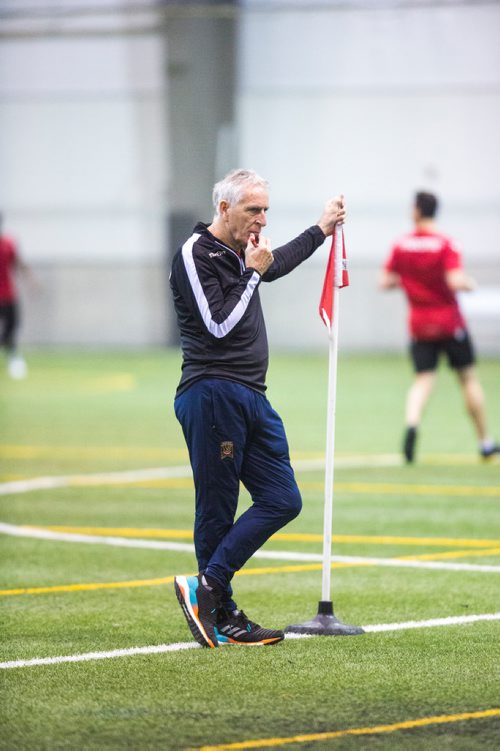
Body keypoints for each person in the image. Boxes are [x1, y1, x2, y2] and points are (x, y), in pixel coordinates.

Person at [170, 168, 346, 648]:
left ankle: (207, 587)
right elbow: (219, 326)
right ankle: (221, 614)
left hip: (251, 396)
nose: (262, 220)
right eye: (253, 210)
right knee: (218, 509)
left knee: (284, 499)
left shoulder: (243, 249)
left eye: (266, 209)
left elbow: (275, 262)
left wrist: (320, 230)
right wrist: (251, 272)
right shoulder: (196, 254)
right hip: (212, 393)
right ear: (224, 208)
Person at [379, 191, 499, 464]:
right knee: (468, 378)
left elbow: (384, 281)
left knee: (423, 380)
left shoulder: (402, 245)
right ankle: (485, 443)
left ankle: (412, 424)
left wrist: (410, 281)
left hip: (420, 325)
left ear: (418, 211)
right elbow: (456, 280)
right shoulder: (446, 244)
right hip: (449, 323)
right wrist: (471, 283)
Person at [0, 213, 28, 379]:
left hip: (8, 295)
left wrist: (31, 280)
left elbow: (18, 263)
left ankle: (12, 359)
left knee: (12, 327)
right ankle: (13, 358)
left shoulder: (8, 244)